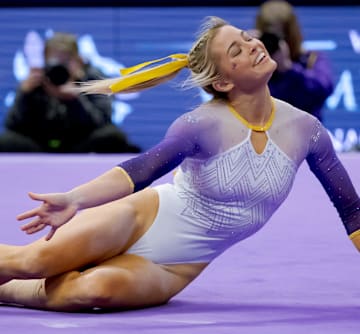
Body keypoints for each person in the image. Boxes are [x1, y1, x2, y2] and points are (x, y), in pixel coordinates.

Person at [0, 16, 359, 312]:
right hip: (142, 218)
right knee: (34, 262)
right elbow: (140, 170)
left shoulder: (307, 131)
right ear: (222, 81)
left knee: (95, 292)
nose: (254, 45)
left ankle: (10, 292)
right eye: (238, 48)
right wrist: (75, 198)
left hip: (178, 265)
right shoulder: (202, 124)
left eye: (249, 39)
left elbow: (352, 211)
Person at [0, 32, 140, 153]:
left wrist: (75, 98)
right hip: (40, 144)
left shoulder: (93, 79)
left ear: (77, 60)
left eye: (66, 60)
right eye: (55, 60)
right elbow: (12, 125)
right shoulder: (36, 82)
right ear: (45, 60)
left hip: (79, 144)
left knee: (113, 136)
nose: (60, 66)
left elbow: (103, 122)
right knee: (6, 141)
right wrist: (24, 94)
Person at [255, 0, 334, 122]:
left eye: (280, 36)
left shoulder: (311, 60)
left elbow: (324, 89)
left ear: (292, 34)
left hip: (307, 137)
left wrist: (288, 68)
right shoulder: (253, 67)